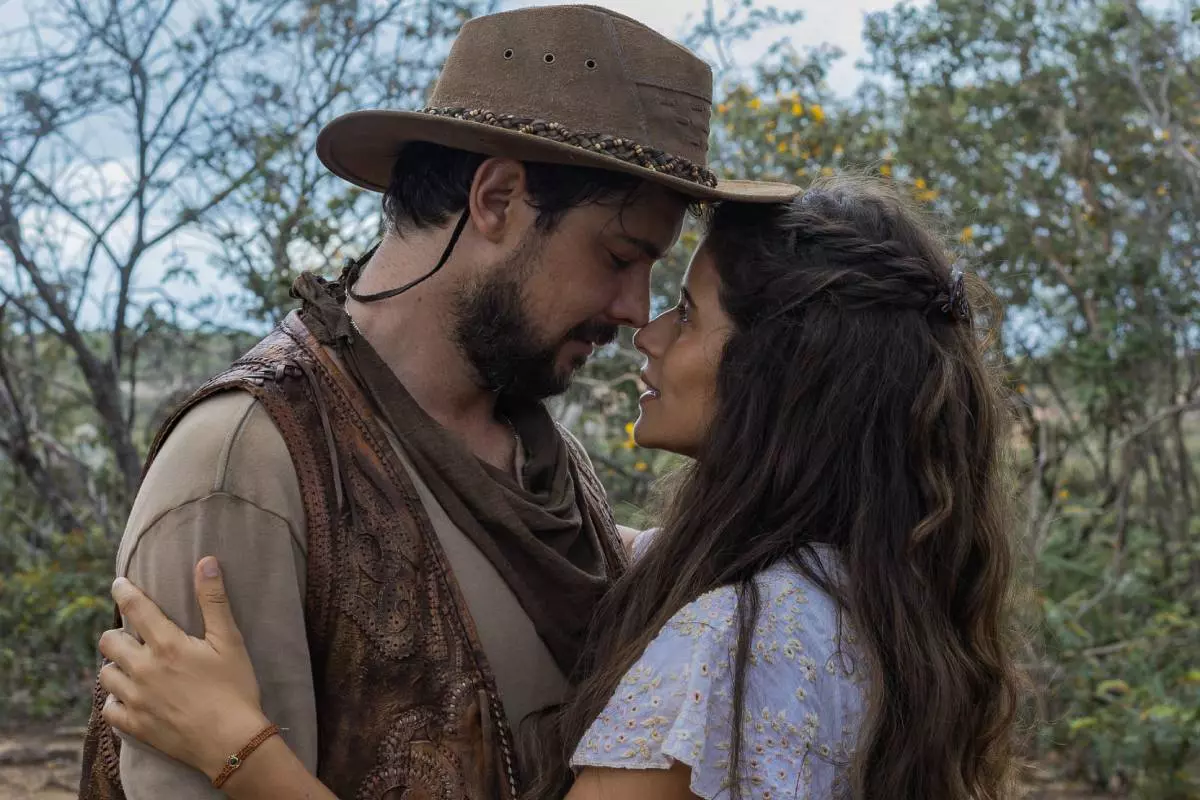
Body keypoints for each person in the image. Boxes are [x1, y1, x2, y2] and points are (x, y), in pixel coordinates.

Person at [96, 176, 1025, 800]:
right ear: (492, 199)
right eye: (623, 260)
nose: (642, 325)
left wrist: (240, 752)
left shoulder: (737, 634)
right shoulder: (853, 583)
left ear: (782, 376)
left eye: (685, 309)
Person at [76, 5, 798, 799]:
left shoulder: (549, 458)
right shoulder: (248, 462)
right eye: (620, 256)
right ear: (494, 199)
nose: (636, 309)